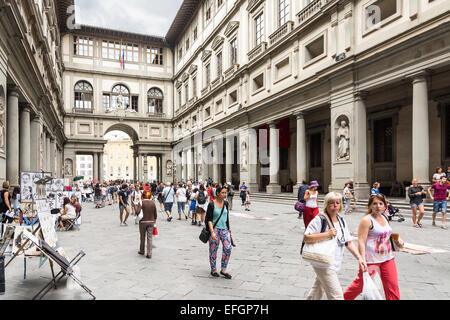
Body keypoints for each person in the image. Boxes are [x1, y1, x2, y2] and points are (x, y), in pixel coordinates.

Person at [304, 192, 365, 300]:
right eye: (332, 203)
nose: (335, 205)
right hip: (323, 263)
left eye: (338, 203)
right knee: (337, 296)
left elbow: (348, 242)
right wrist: (327, 234)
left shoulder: (341, 220)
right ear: (326, 204)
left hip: (333, 262)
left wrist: (359, 257)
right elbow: (306, 237)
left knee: (317, 290)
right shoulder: (320, 219)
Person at [344, 194, 403, 300]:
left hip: (388, 257)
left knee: (392, 286)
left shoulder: (385, 217)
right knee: (360, 285)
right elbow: (361, 241)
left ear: (385, 206)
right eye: (374, 204)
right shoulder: (366, 220)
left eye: (381, 204)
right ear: (370, 206)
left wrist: (398, 240)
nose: (378, 206)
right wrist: (362, 260)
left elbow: (387, 233)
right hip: (371, 259)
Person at [206, 186, 233, 279]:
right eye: (223, 193)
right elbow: (208, 220)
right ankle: (213, 269)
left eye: (225, 193)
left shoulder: (226, 203)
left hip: (224, 229)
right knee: (213, 250)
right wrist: (212, 232)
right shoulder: (211, 204)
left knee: (228, 248)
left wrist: (229, 230)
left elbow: (227, 217)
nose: (225, 195)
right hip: (215, 229)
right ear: (217, 193)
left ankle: (223, 269)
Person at [138, 191, 157, 259]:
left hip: (143, 221)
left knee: (142, 237)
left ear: (143, 195)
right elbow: (155, 213)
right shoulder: (153, 203)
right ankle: (149, 253)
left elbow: (137, 212)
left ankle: (142, 250)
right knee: (150, 238)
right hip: (151, 221)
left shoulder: (141, 202)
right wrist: (154, 220)